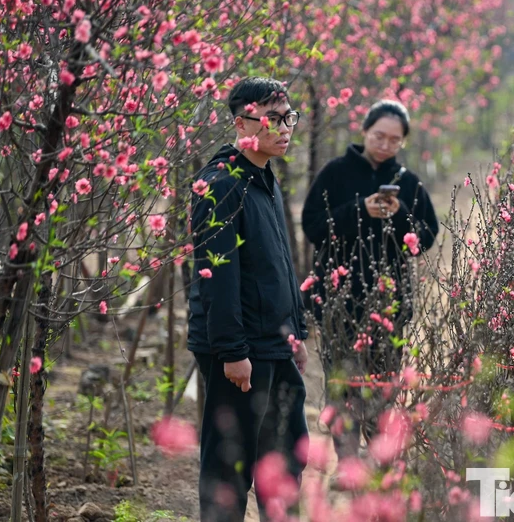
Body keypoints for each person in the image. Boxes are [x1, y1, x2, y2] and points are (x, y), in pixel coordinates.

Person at [187, 77, 310, 522]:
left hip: (274, 342)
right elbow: (217, 278)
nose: (285, 128)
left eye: (288, 117)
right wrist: (233, 351)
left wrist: (298, 333)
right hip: (240, 351)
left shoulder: (264, 179)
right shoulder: (220, 185)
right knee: (229, 468)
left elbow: (278, 264)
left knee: (285, 458)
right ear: (242, 122)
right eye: (273, 119)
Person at [301, 99, 439, 458]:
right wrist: (358, 210)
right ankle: (348, 462)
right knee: (343, 385)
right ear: (364, 131)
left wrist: (398, 215)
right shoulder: (334, 173)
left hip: (388, 304)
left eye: (395, 140)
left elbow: (425, 236)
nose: (385, 145)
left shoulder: (406, 182)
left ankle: (379, 463)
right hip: (338, 302)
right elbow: (313, 226)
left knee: (383, 386)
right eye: (379, 136)